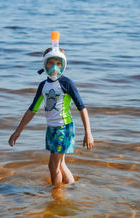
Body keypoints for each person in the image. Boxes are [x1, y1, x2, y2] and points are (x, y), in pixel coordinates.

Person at [8, 31, 94, 186]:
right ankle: (72, 188)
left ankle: (57, 197)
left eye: (59, 63)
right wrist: (18, 130)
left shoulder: (67, 83)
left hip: (64, 128)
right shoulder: (43, 85)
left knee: (52, 166)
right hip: (52, 128)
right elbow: (32, 110)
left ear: (64, 64)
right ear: (44, 64)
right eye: (50, 62)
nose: (55, 66)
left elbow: (82, 108)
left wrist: (88, 133)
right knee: (60, 164)